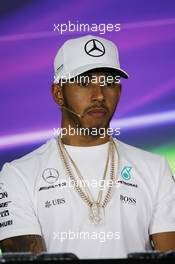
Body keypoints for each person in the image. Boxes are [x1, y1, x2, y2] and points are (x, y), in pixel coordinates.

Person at [0, 35, 175, 259]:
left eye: (109, 83)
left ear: (119, 92)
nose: (99, 95)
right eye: (84, 82)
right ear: (58, 94)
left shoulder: (155, 169)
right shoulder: (18, 175)